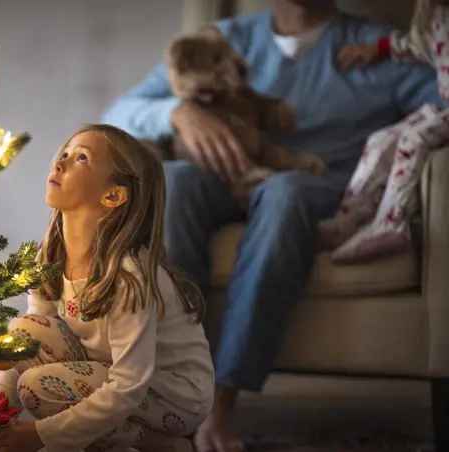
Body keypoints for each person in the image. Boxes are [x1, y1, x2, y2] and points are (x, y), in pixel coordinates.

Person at [100, 0, 443, 451]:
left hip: (316, 186)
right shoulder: (222, 40)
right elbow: (117, 114)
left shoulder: (375, 47)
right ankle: (171, 389)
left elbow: (442, 94)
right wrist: (177, 113)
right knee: (174, 179)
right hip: (225, 182)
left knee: (285, 191)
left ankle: (220, 405)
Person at [0, 124, 215, 452]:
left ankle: (154, 442)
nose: (59, 163)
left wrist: (40, 434)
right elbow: (30, 341)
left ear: (112, 195)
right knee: (26, 330)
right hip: (106, 371)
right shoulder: (50, 255)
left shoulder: (129, 278)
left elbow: (127, 385)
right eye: (64, 154)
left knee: (37, 388)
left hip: (176, 397)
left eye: (81, 158)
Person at [318, 0, 449, 263]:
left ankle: (391, 223)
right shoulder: (438, 16)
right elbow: (417, 45)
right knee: (381, 140)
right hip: (445, 108)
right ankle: (348, 219)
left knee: (415, 138)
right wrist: (377, 48)